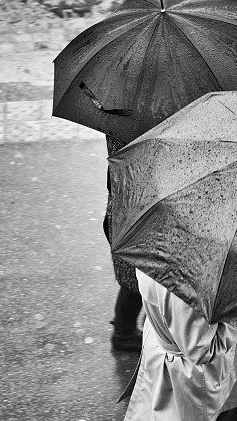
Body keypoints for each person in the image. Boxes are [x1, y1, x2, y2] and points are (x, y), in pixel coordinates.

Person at [120, 269, 237, 420]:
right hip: (197, 373)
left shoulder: (152, 251)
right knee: (218, 411)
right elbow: (202, 349)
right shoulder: (188, 280)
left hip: (165, 347)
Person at [104, 134, 144, 352]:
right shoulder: (138, 124)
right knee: (135, 280)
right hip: (134, 211)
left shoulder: (120, 116)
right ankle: (124, 333)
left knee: (134, 279)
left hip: (125, 207)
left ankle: (124, 329)